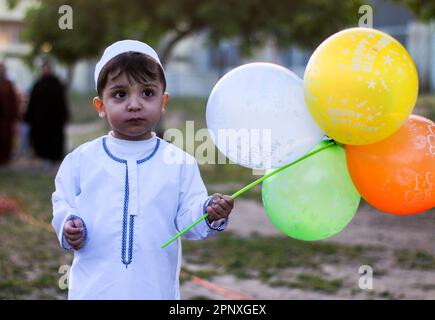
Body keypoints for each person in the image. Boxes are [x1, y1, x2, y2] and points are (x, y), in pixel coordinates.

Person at [51, 40, 234, 300]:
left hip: (155, 289)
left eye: (147, 93)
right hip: (93, 290)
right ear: (100, 106)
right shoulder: (80, 160)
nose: (134, 105)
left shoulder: (180, 163)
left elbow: (189, 221)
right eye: (120, 94)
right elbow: (63, 202)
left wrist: (209, 212)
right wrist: (69, 225)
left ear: (163, 101)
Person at [24, 59, 69, 164]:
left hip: (55, 119)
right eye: (44, 68)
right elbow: (32, 102)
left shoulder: (56, 83)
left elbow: (62, 101)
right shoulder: (38, 84)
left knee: (54, 139)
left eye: (47, 68)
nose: (46, 70)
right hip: (40, 119)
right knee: (41, 139)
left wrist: (64, 115)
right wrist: (29, 117)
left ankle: (54, 158)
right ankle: (42, 157)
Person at [0, 62, 19, 166]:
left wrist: (15, 116)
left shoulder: (8, 84)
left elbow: (13, 101)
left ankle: (5, 160)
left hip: (6, 120)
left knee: (6, 140)